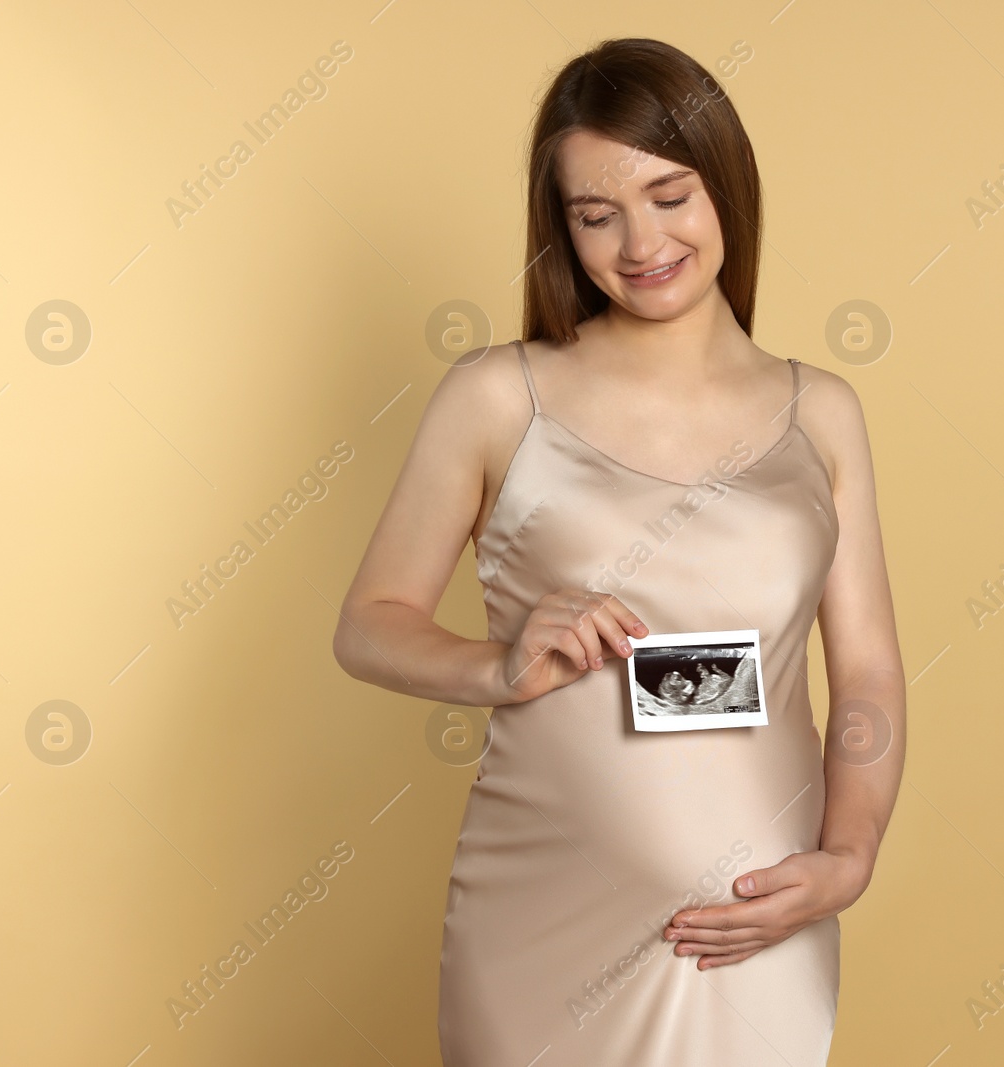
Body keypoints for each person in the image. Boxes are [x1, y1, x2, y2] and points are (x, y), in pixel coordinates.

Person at [332, 36, 905, 1067]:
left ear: (726, 185)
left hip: (751, 922)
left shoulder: (820, 413)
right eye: (596, 216)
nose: (641, 242)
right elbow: (369, 624)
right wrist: (495, 665)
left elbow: (864, 670)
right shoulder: (500, 395)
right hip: (544, 922)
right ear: (561, 229)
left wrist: (849, 856)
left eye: (669, 195)